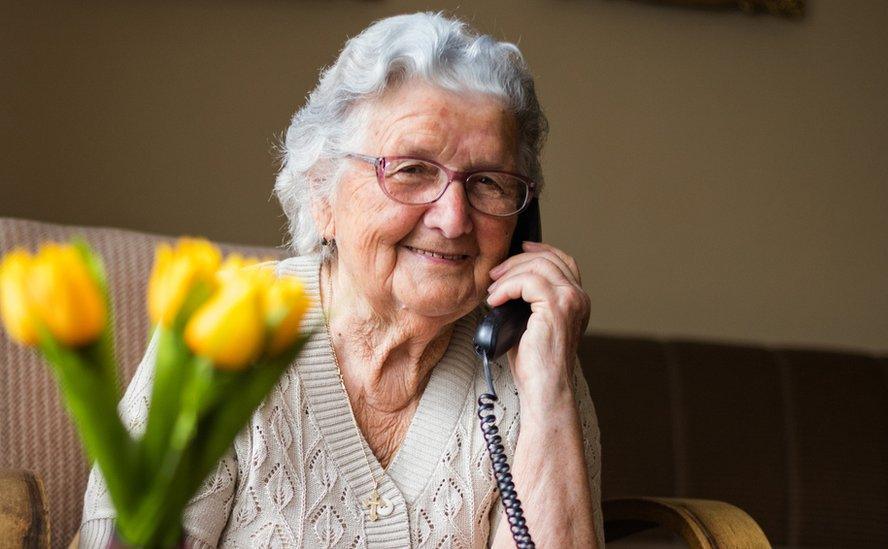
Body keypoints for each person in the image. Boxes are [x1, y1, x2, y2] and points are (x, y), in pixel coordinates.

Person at [81, 12, 602, 548]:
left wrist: (549, 391)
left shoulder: (533, 357)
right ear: (321, 194)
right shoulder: (225, 332)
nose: (453, 219)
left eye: (489, 182)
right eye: (412, 169)